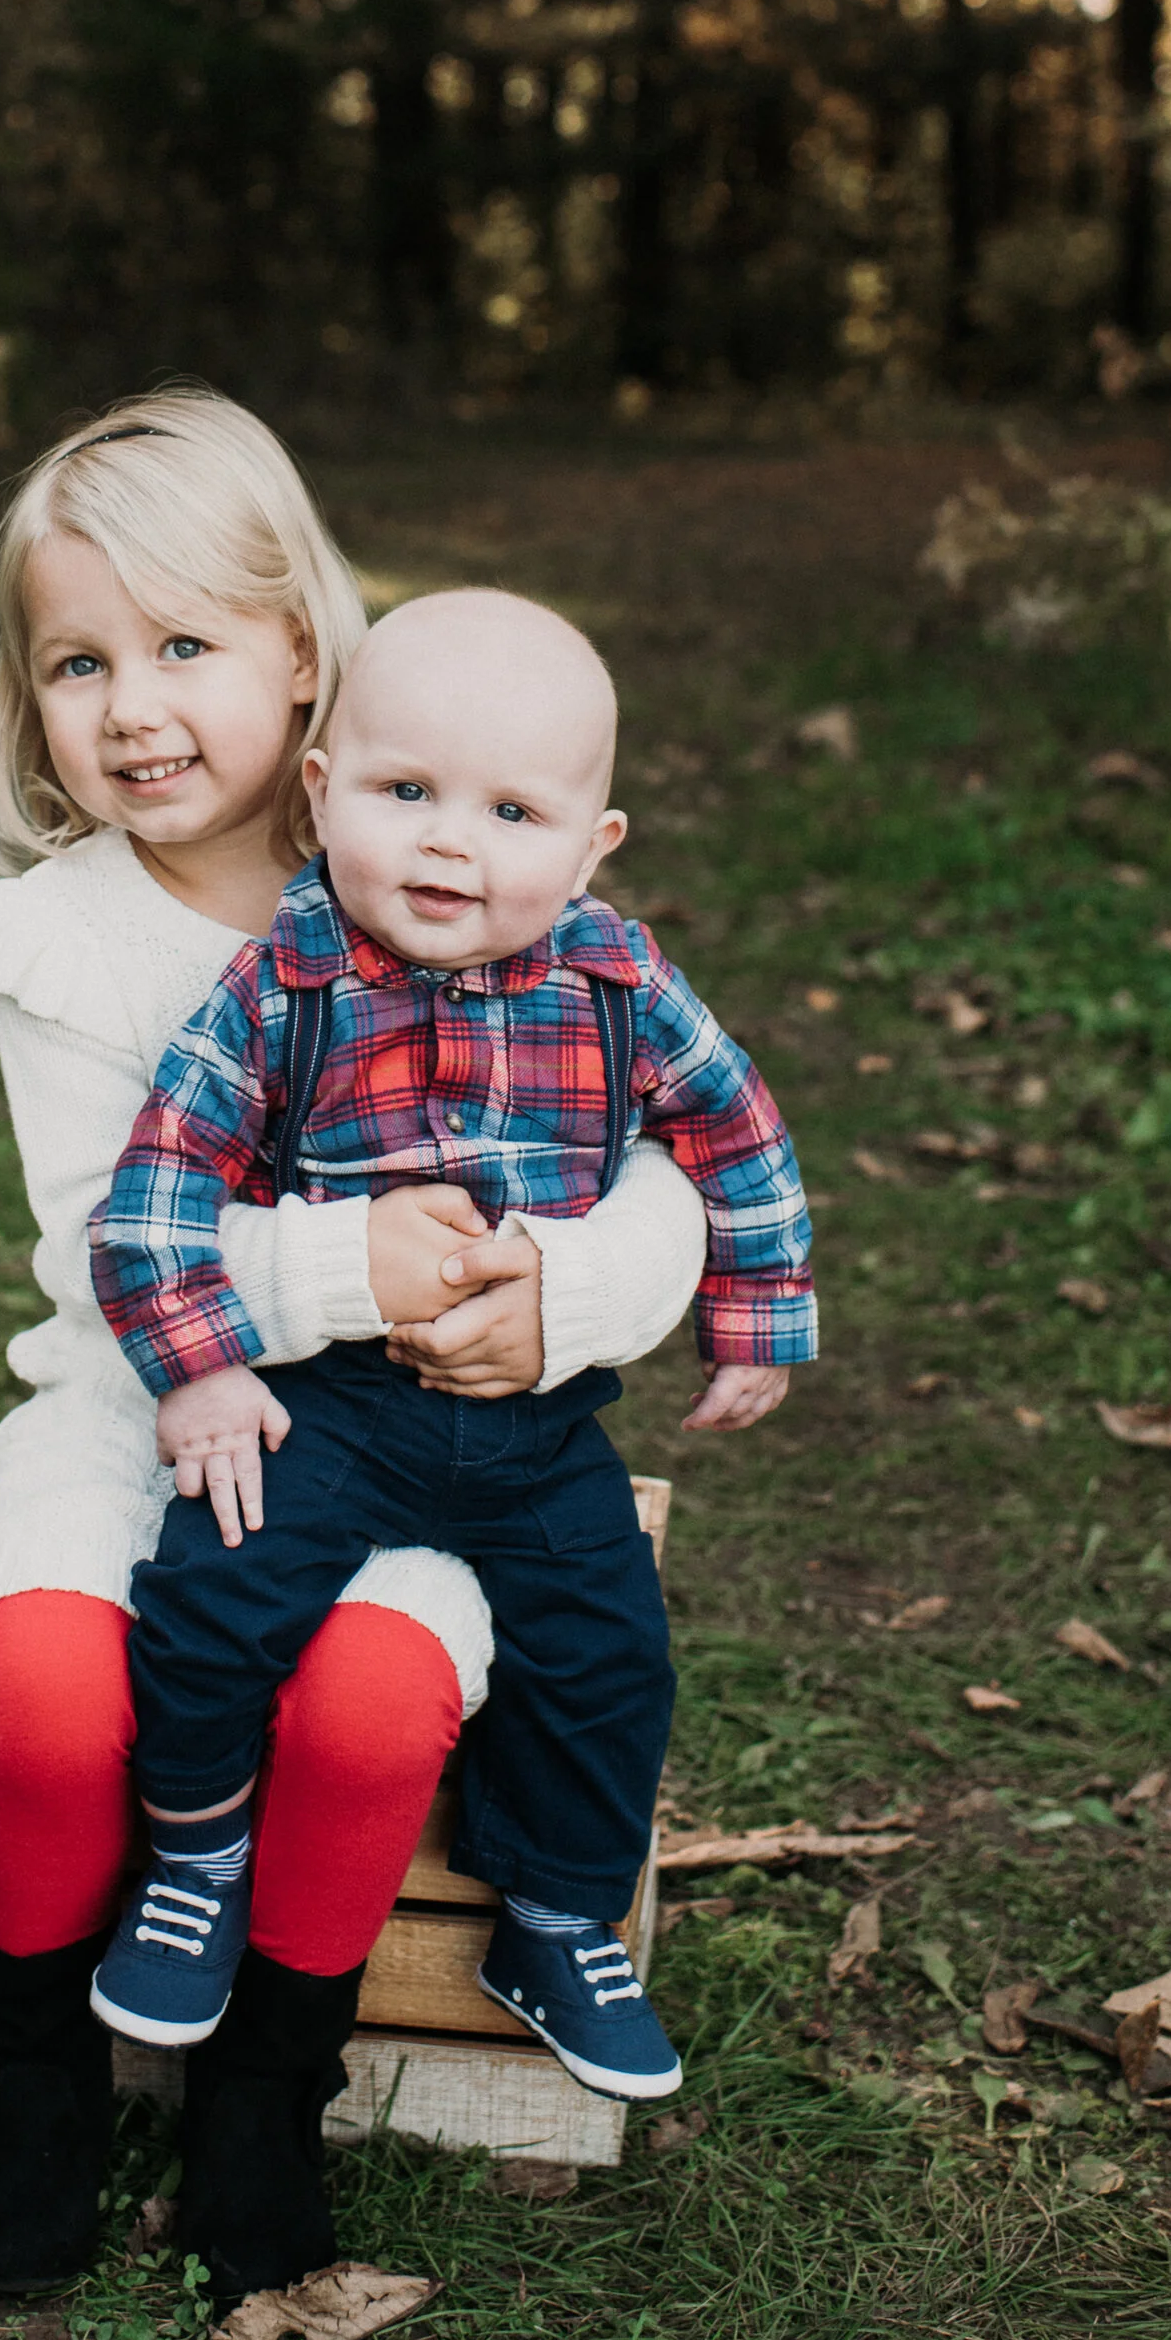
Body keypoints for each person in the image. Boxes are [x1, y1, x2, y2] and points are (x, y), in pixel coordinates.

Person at [0, 394, 710, 2303]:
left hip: (431, 1435)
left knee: (367, 1704)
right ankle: (28, 2078)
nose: (135, 706)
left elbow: (674, 1158)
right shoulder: (66, 943)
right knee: (49, 1685)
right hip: (142, 1405)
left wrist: (576, 1303)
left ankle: (266, 2095)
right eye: (81, 661)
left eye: (189, 645)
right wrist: (361, 1263)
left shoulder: (434, 846)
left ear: (309, 653)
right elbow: (92, 1239)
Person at [88, 588, 816, 2105]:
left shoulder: (618, 988)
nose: (448, 843)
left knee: (608, 1655)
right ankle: (199, 1853)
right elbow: (160, 1184)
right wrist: (206, 1362)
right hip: (329, 1405)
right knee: (210, 1597)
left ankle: (555, 1909)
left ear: (593, 846)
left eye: (512, 811)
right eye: (405, 791)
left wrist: (754, 1319)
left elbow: (735, 1136)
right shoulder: (277, 988)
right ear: (321, 791)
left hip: (534, 1415)